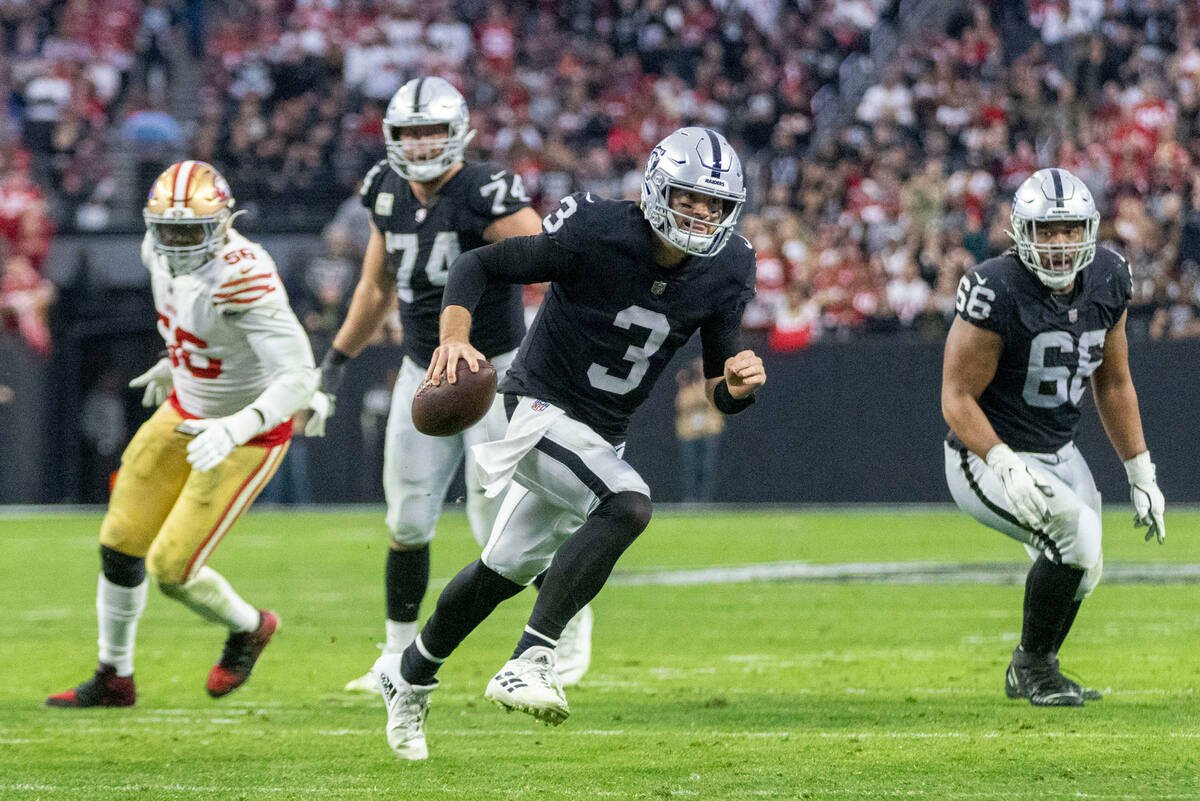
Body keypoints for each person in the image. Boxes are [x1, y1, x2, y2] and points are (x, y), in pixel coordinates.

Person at [373, 127, 766, 760]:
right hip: (533, 409)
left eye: (715, 204)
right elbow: (479, 264)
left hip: (600, 433)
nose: (703, 214)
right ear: (658, 190)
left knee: (499, 572)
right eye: (690, 198)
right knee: (629, 503)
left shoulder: (728, 266)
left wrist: (739, 387)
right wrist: (453, 337)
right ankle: (531, 658)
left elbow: (720, 384)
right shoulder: (596, 228)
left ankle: (409, 674)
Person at [314, 77, 594, 693]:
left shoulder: (485, 189)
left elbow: (547, 259)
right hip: (423, 371)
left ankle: (568, 627)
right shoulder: (384, 190)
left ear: (459, 133)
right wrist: (335, 360)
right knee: (408, 515)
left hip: (494, 371)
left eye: (431, 132)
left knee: (499, 522)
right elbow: (375, 287)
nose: (419, 146)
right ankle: (392, 658)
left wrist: (559, 354)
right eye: (408, 134)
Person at [47, 160, 332, 707]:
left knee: (172, 568)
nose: (176, 243)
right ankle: (115, 676)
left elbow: (298, 375)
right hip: (185, 407)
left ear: (223, 223)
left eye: (189, 231)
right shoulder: (156, 250)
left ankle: (250, 626)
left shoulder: (243, 274)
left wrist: (235, 427)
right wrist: (177, 362)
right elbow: (188, 319)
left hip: (246, 433)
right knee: (120, 541)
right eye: (168, 229)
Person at [942, 168, 1166, 707]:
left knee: (1084, 573)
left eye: (1069, 229)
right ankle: (1033, 667)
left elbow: (1112, 383)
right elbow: (956, 397)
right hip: (986, 455)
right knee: (1076, 534)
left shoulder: (1111, 276)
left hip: (1061, 452)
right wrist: (1001, 460)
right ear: (1021, 233)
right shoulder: (996, 287)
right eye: (1046, 230)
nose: (1060, 243)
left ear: (1090, 228)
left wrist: (1140, 471)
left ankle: (1038, 666)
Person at [675, 357, 725, 502]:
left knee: (707, 467)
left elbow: (713, 401)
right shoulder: (687, 387)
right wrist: (683, 385)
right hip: (690, 431)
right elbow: (682, 405)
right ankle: (691, 498)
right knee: (691, 467)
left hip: (709, 430)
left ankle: (705, 499)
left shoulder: (715, 384)